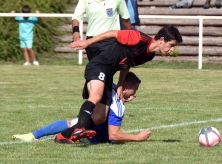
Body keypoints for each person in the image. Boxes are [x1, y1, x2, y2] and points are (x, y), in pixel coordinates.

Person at [54, 25, 183, 143]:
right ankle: (79, 128)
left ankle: (62, 137)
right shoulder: (138, 38)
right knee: (96, 95)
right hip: (100, 65)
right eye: (171, 45)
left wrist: (121, 84)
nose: (172, 50)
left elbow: (127, 64)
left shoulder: (149, 56)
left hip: (108, 73)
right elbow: (112, 33)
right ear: (161, 39)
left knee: (100, 117)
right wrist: (87, 42)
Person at [12, 72, 151, 144]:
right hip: (90, 137)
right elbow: (113, 135)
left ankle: (33, 135)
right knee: (76, 125)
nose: (135, 94)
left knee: (72, 123)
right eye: (134, 90)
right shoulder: (118, 106)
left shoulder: (108, 89)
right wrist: (137, 137)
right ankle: (68, 137)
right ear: (125, 87)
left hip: (86, 121)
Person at [72, 0, 132, 119]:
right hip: (92, 43)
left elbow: (126, 19)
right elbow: (76, 16)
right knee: (102, 73)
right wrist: (75, 32)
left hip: (111, 42)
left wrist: (131, 37)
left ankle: (97, 101)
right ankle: (99, 102)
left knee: (105, 72)